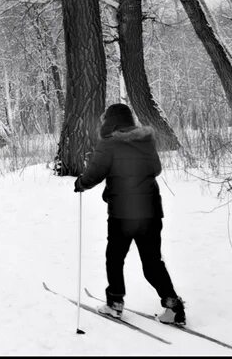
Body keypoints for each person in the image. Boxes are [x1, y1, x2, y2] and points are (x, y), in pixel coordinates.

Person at [74, 103, 186, 325]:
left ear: (111, 122)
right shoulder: (146, 141)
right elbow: (155, 169)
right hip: (150, 213)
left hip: (122, 215)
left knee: (115, 259)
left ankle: (115, 304)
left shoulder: (109, 144)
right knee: (152, 262)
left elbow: (94, 174)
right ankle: (174, 306)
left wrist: (81, 183)